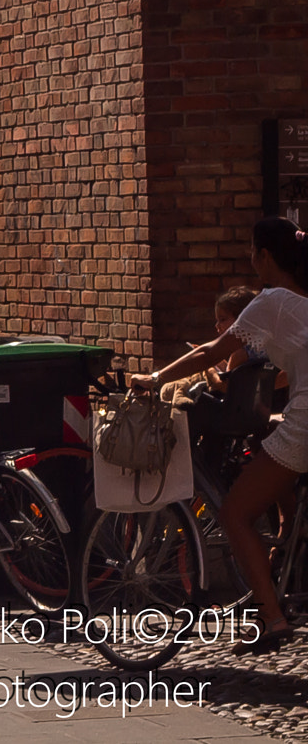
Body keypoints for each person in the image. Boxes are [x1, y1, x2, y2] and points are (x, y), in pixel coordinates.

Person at [135, 216, 308, 651]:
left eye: (252, 252)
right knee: (287, 511)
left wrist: (155, 378)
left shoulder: (274, 301)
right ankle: (284, 566)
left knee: (234, 512)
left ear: (264, 256)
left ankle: (272, 619)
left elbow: (213, 352)